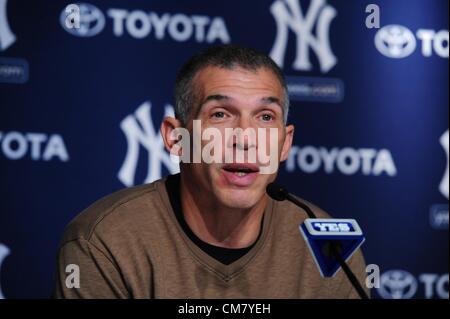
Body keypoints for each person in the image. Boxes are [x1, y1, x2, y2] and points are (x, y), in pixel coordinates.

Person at [54, 45, 368, 298]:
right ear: (176, 138)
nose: (245, 138)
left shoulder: (329, 246)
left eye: (265, 117)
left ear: (285, 144)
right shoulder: (105, 241)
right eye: (220, 114)